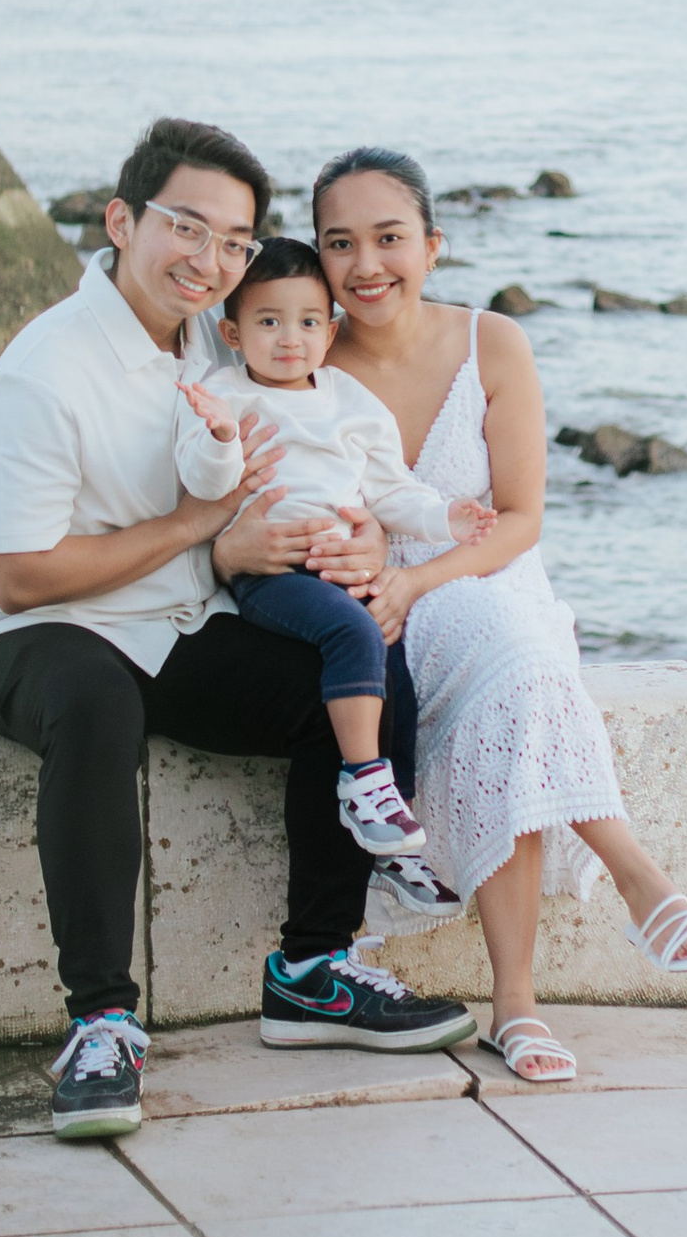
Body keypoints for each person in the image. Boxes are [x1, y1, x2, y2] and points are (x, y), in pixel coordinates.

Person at [0, 117, 474, 1141]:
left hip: (182, 620)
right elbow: (18, 575)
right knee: (95, 700)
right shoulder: (47, 370)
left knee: (363, 660)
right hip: (47, 632)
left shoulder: (216, 333)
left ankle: (314, 970)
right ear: (120, 221)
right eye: (186, 227)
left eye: (234, 241)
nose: (211, 260)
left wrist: (359, 538)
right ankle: (100, 1024)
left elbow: (315, 450)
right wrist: (198, 527)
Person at [315, 144, 687, 1087]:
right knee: (522, 673)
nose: (367, 265)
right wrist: (391, 579)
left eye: (390, 238)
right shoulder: (306, 355)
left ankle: (534, 985)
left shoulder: (490, 343)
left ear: (433, 245)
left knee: (519, 658)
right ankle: (573, 944)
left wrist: (427, 581)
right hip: (371, 593)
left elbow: (524, 519)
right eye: (341, 244)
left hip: (490, 573)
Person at [178, 234, 488, 901]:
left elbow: (391, 491)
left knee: (391, 673)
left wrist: (446, 521)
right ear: (232, 331)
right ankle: (361, 778)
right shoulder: (224, 394)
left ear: (331, 330)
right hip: (273, 574)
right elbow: (203, 484)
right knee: (353, 634)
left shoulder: (348, 401)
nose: (289, 338)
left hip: (341, 570)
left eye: (308, 322)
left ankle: (390, 834)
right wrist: (221, 438)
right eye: (268, 321)